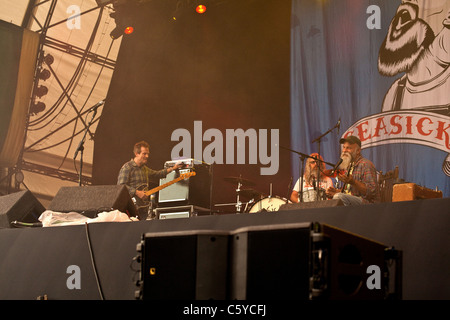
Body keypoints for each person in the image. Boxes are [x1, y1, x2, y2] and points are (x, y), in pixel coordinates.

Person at [117, 140, 183, 219]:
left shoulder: (144, 169)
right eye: (144, 153)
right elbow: (121, 186)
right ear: (136, 154)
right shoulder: (127, 167)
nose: (147, 156)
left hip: (143, 208)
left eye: (148, 154)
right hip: (131, 209)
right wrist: (137, 192)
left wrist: (173, 168)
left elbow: (158, 174)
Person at [326, 136, 380, 205]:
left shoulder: (366, 164)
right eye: (344, 147)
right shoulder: (349, 166)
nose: (345, 150)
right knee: (335, 198)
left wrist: (353, 182)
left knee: (339, 197)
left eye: (348, 148)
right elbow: (350, 193)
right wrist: (337, 191)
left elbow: (372, 192)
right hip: (355, 204)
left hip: (368, 205)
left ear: (358, 151)